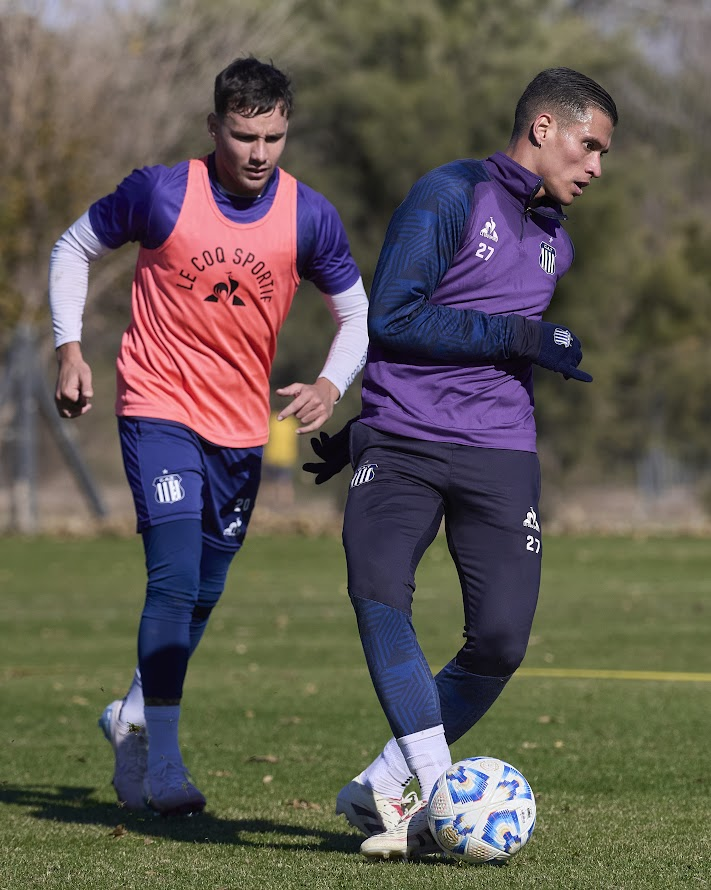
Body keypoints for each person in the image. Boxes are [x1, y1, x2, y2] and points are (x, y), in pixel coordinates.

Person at [304, 67, 617, 858]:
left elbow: (477, 349)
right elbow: (396, 317)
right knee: (378, 590)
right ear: (543, 127)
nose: (595, 168)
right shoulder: (449, 194)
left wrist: (530, 345)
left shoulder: (556, 241)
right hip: (404, 441)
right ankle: (437, 793)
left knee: (502, 641)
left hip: (500, 450)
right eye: (589, 146)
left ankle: (384, 781)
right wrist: (360, 433)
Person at [48, 56, 368, 816]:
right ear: (213, 127)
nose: (258, 153)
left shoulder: (308, 216)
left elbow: (356, 314)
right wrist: (69, 347)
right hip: (157, 405)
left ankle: (130, 714)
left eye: (274, 137)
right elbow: (72, 246)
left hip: (239, 427)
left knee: (207, 591)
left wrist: (330, 385)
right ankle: (163, 760)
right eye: (243, 135)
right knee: (175, 577)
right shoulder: (161, 193)